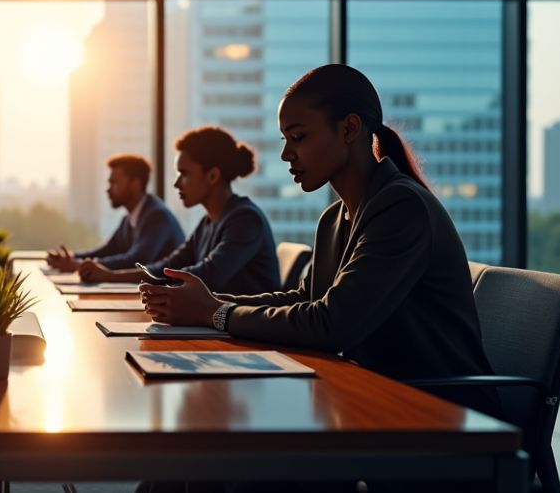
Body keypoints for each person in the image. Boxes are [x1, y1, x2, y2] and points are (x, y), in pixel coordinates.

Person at [140, 63, 497, 415]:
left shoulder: (402, 208)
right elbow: (304, 298)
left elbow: (331, 325)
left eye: (298, 137)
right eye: (285, 140)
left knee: (225, 442)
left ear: (349, 128)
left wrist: (215, 313)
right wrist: (207, 303)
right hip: (374, 395)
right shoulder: (334, 219)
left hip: (437, 413)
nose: (285, 154)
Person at [77, 127, 280, 295]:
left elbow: (205, 276)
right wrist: (109, 276)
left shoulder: (245, 219)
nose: (176, 184)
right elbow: (169, 266)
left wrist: (110, 276)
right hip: (218, 326)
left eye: (184, 174)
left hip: (244, 336)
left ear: (212, 176)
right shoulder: (207, 223)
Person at [46, 154, 185, 272]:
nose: (108, 189)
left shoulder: (157, 216)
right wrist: (72, 257)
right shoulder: (129, 218)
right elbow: (106, 251)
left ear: (135, 184)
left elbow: (136, 261)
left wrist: (79, 266)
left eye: (114, 183)